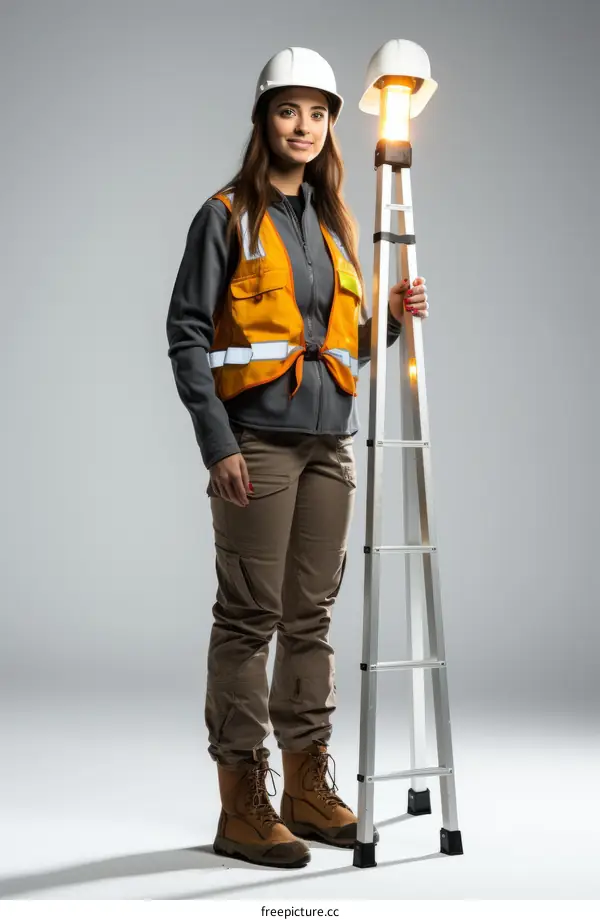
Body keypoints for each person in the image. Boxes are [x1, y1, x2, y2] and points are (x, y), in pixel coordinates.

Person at [166, 46, 429, 870]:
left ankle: (307, 790)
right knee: (249, 617)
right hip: (259, 447)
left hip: (328, 447)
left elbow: (337, 342)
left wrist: (385, 315)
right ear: (263, 119)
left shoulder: (332, 221)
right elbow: (185, 334)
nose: (304, 127)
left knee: (309, 618)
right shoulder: (225, 215)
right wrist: (218, 444)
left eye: (318, 113)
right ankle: (242, 799)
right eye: (289, 110)